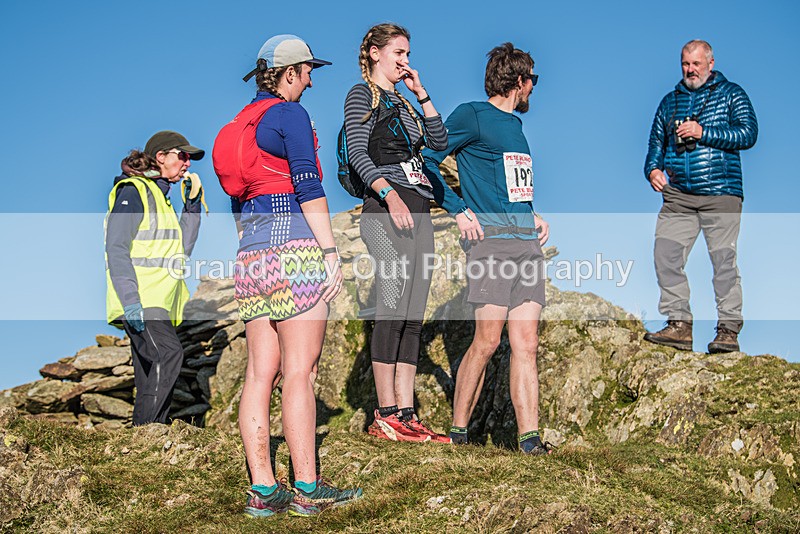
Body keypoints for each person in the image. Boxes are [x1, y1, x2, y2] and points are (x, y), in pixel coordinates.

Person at [215, 34, 361, 518]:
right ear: (289, 73)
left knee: (261, 372)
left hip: (250, 256)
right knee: (300, 370)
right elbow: (308, 183)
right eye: (307, 71)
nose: (311, 81)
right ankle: (307, 488)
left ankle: (263, 489)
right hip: (294, 249)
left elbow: (238, 202)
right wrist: (330, 252)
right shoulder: (289, 115)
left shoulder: (240, 123)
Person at [423, 42, 552, 455]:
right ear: (520, 81)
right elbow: (426, 160)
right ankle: (458, 433)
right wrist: (458, 209)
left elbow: (508, 185)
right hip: (491, 245)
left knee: (527, 343)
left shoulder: (515, 126)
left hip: (526, 244)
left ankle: (530, 441)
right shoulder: (472, 115)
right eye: (533, 80)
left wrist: (532, 213)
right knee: (488, 340)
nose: (533, 88)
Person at [343, 23, 450, 443]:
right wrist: (389, 195)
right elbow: (357, 152)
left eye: (408, 54)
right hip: (386, 210)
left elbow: (438, 141)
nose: (405, 61)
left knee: (412, 313)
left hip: (418, 207)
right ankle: (385, 414)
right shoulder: (361, 95)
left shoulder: (404, 101)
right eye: (398, 53)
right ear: (374, 53)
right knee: (391, 306)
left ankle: (407, 413)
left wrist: (421, 93)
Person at [643, 39, 757, 354]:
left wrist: (703, 132)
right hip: (679, 195)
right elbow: (655, 144)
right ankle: (679, 325)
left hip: (722, 191)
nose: (690, 69)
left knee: (723, 262)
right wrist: (652, 170)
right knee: (665, 255)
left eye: (696, 63)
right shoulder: (669, 102)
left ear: (710, 63)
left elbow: (748, 133)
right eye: (685, 64)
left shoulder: (732, 93)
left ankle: (728, 332)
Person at [105, 131, 205, 426]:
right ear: (161, 157)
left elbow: (181, 251)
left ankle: (142, 439)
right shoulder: (133, 191)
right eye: (182, 155)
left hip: (159, 302)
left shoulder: (162, 199)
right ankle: (148, 433)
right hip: (140, 300)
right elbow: (116, 246)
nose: (187, 163)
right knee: (168, 354)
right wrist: (130, 301)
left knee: (149, 372)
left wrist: (192, 206)